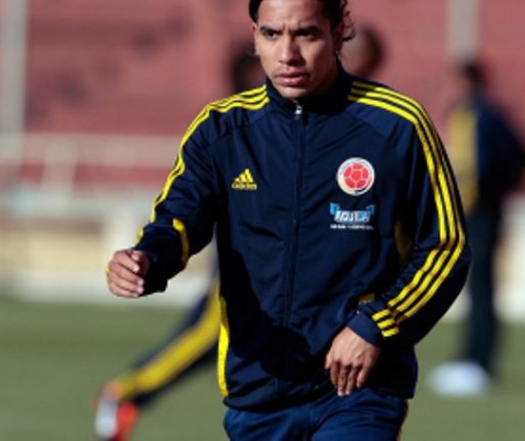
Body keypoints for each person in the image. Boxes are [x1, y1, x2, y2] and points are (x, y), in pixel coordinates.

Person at [105, 0, 470, 439]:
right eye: (273, 35)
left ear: (340, 33)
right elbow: (178, 219)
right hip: (259, 391)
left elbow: (445, 246)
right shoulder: (222, 129)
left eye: (307, 34)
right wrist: (145, 260)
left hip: (357, 390)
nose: (288, 54)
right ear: (254, 36)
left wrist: (375, 326)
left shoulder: (397, 126)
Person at [94, 25, 388, 441]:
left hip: (314, 306)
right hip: (252, 278)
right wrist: (150, 256)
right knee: (205, 336)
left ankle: (129, 392)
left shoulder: (365, 124)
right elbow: (181, 213)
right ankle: (127, 392)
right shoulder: (235, 127)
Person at [428, 60, 525, 397]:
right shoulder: (492, 113)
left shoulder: (473, 115)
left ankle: (477, 363)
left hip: (477, 212)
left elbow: (474, 168)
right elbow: (522, 156)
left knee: (480, 287)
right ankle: (473, 360)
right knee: (479, 287)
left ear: (465, 82)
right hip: (488, 208)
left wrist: (476, 198)